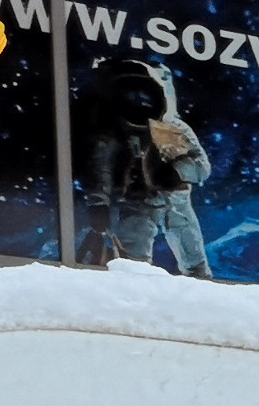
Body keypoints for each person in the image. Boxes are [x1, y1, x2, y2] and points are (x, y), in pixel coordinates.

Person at [81, 57, 214, 278]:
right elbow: (100, 171)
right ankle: (137, 300)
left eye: (145, 96)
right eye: (131, 96)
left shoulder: (173, 128)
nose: (139, 103)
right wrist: (98, 203)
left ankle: (203, 300)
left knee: (195, 265)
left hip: (176, 203)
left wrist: (176, 172)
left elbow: (201, 166)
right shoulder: (113, 133)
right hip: (137, 202)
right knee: (134, 267)